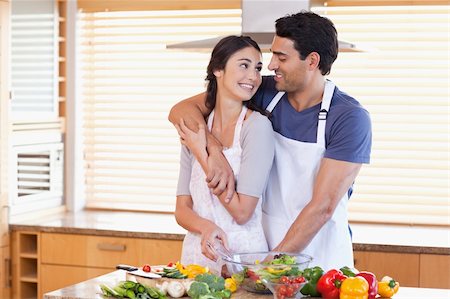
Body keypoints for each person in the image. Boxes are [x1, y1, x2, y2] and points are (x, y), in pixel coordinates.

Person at [169, 11, 372, 271]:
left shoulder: (349, 118)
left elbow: (322, 207)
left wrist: (271, 265)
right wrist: (213, 148)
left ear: (312, 61)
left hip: (321, 258)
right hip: (263, 246)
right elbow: (181, 110)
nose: (271, 65)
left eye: (281, 57)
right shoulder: (267, 91)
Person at [174, 35, 274, 274]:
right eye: (244, 65)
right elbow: (182, 208)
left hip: (243, 265)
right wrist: (205, 227)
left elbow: (242, 212)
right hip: (196, 263)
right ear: (218, 69)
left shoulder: (257, 127)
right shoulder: (196, 127)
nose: (253, 76)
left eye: (258, 68)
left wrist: (202, 153)